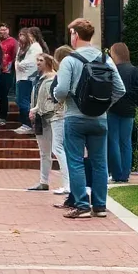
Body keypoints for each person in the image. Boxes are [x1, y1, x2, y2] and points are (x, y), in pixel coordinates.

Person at [54, 18, 125, 219]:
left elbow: (61, 90)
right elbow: (120, 89)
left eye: (71, 34)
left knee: (75, 161)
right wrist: (104, 105)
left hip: (75, 117)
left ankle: (82, 205)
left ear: (76, 35)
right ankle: (100, 206)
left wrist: (63, 99)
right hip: (100, 119)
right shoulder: (106, 59)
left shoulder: (69, 60)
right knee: (100, 163)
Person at [107, 42, 138, 183]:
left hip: (113, 108)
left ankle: (116, 173)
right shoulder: (133, 70)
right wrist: (131, 100)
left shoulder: (112, 70)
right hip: (129, 109)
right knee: (126, 142)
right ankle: (125, 174)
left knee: (113, 141)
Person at [27, 53, 62, 191]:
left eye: (41, 60)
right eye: (37, 60)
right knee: (44, 151)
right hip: (39, 117)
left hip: (50, 116)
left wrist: (35, 110)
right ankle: (43, 181)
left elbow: (49, 100)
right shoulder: (39, 78)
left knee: (57, 150)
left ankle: (67, 182)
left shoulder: (52, 78)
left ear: (48, 62)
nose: (38, 63)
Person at [50, 45, 75, 195]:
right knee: (65, 149)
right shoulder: (75, 71)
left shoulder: (62, 73)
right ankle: (69, 184)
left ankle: (67, 184)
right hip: (67, 114)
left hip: (60, 114)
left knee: (58, 148)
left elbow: (58, 93)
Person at [14, 28, 44, 135]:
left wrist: (19, 64)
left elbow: (30, 63)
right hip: (21, 77)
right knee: (20, 100)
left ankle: (28, 124)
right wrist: (18, 64)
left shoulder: (35, 47)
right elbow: (17, 60)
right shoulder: (24, 47)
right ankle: (25, 124)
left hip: (27, 78)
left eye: (25, 35)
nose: (21, 37)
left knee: (24, 101)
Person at [0, 23, 19, 125]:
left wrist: (9, 67)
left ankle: (3, 116)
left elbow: (16, 57)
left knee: (3, 94)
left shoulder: (13, 42)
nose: (3, 31)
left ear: (8, 30)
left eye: (5, 29)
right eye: (1, 30)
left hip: (7, 72)